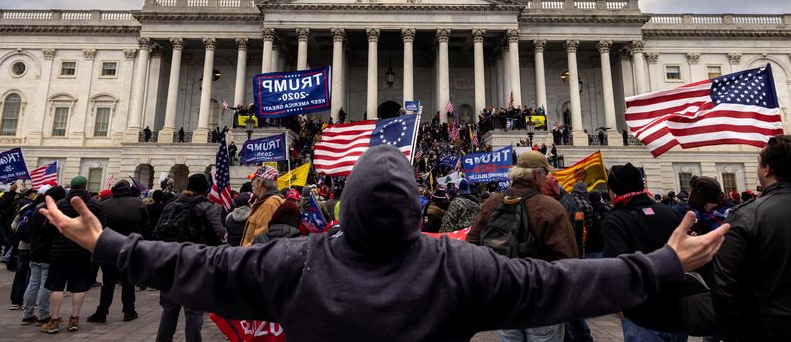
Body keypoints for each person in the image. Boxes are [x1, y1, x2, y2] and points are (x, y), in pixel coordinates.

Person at [41, 146, 729, 342]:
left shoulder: (290, 264)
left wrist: (110, 245)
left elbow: (196, 266)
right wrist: (664, 263)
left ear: (346, 208)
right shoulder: (461, 269)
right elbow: (567, 285)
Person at [468, 151, 578, 342]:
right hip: (541, 300)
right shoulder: (550, 207)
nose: (548, 178)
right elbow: (568, 259)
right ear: (537, 175)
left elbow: (471, 246)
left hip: (506, 298)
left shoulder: (492, 202)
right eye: (546, 174)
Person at [713, 135, 791, 341]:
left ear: (767, 169)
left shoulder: (747, 216)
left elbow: (724, 286)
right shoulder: (748, 215)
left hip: (768, 329)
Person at [602, 163, 686, 341]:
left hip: (642, 314)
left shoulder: (615, 220)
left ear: (614, 189)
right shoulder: (668, 212)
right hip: (677, 310)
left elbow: (618, 269)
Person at [152, 173, 226, 342]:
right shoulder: (206, 206)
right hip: (195, 261)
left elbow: (158, 231)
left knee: (169, 308)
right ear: (204, 189)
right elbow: (220, 232)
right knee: (193, 311)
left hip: (171, 261)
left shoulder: (171, 204)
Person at [41, 176, 106, 334]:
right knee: (79, 286)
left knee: (56, 286)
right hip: (83, 250)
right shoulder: (95, 205)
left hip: (60, 250)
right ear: (85, 186)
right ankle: (74, 319)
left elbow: (48, 226)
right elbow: (102, 227)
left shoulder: (61, 203)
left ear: (71, 187)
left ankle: (54, 320)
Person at [87, 179, 149, 323]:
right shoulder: (138, 203)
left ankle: (102, 312)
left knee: (108, 282)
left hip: (109, 246)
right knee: (128, 281)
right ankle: (129, 310)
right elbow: (146, 225)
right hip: (130, 246)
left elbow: (98, 227)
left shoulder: (103, 204)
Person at [22, 185, 64, 325]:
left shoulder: (36, 210)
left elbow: (30, 232)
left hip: (35, 250)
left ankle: (27, 313)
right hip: (48, 251)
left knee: (33, 283)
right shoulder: (54, 212)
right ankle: (43, 314)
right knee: (45, 285)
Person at [241, 166, 284, 247]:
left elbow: (260, 241)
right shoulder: (267, 202)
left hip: (252, 256)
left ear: (260, 182)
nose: (252, 183)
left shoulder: (269, 204)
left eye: (253, 180)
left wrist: (242, 253)